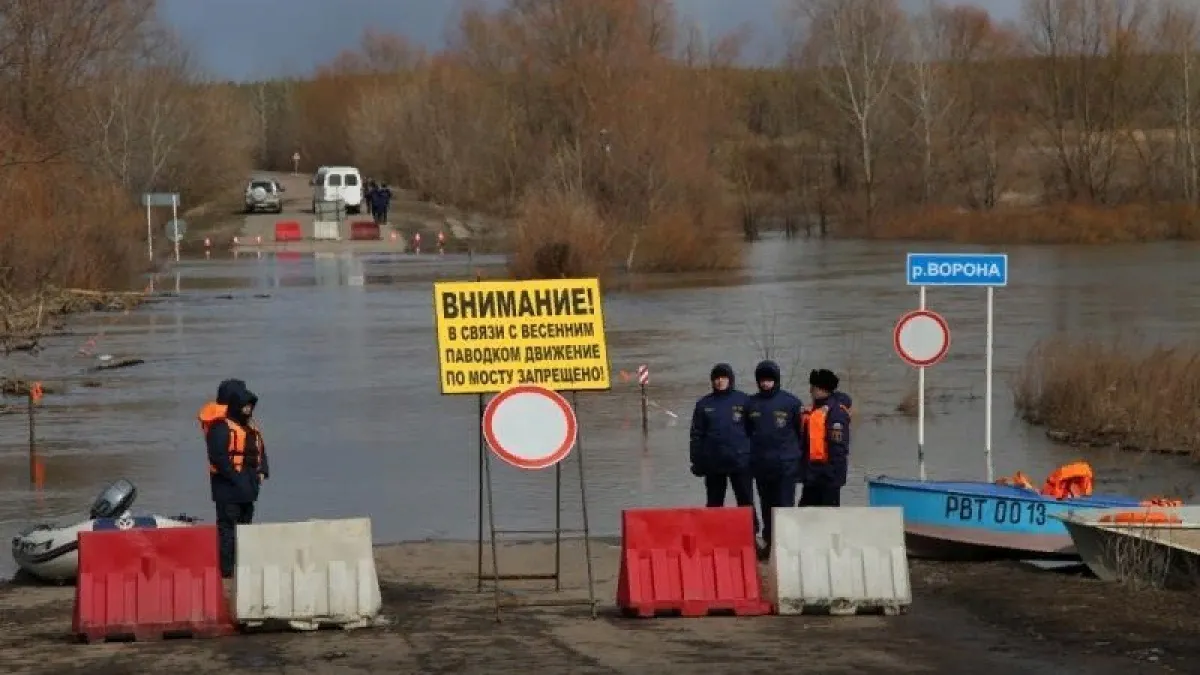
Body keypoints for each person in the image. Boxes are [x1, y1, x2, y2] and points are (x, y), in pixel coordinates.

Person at [200, 379, 269, 578]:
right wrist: (235, 476)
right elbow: (218, 456)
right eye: (245, 403)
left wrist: (262, 471)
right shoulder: (220, 427)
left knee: (245, 527)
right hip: (227, 487)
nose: (249, 408)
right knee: (228, 530)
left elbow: (260, 450)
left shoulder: (249, 425)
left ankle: (243, 565)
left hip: (248, 486)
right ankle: (227, 571)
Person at [745, 360, 804, 561]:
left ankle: (787, 548)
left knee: (785, 506)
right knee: (766, 507)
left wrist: (799, 463)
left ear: (776, 380)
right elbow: (745, 433)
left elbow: (801, 434)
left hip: (786, 466)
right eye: (762, 380)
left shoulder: (792, 403)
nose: (766, 384)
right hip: (761, 466)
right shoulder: (750, 404)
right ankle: (769, 544)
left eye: (769, 380)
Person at [689, 363, 758, 532]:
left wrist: (753, 457)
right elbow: (696, 435)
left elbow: (754, 431)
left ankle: (751, 534)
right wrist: (696, 461)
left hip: (740, 461)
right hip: (713, 462)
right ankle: (712, 534)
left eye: (723, 378)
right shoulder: (704, 404)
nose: (720, 381)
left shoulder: (744, 400)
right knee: (714, 502)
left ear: (730, 380)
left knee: (745, 500)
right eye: (717, 379)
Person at [798, 369, 852, 507]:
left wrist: (832, 475)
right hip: (812, 476)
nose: (810, 391)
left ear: (822, 390)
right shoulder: (814, 410)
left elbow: (838, 447)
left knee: (828, 519)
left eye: (813, 388)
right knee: (805, 515)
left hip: (828, 477)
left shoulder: (836, 413)